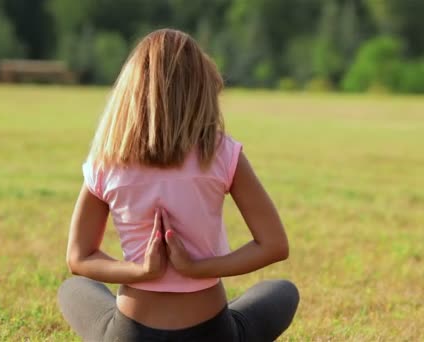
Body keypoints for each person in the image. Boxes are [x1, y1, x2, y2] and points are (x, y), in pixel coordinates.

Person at [57, 28, 299, 342]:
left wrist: (142, 272)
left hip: (131, 334)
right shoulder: (223, 153)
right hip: (212, 334)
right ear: (201, 88)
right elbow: (274, 245)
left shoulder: (107, 159)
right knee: (282, 290)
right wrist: (200, 269)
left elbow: (78, 258)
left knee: (73, 288)